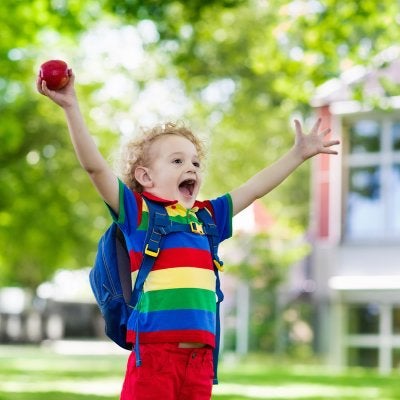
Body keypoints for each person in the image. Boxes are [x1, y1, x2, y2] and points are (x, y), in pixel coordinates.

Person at [37, 69, 339, 400]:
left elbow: (252, 189)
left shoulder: (208, 217)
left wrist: (297, 155)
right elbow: (95, 168)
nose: (192, 167)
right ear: (145, 176)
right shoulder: (140, 214)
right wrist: (71, 107)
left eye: (195, 162)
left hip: (200, 360)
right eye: (178, 160)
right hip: (154, 357)